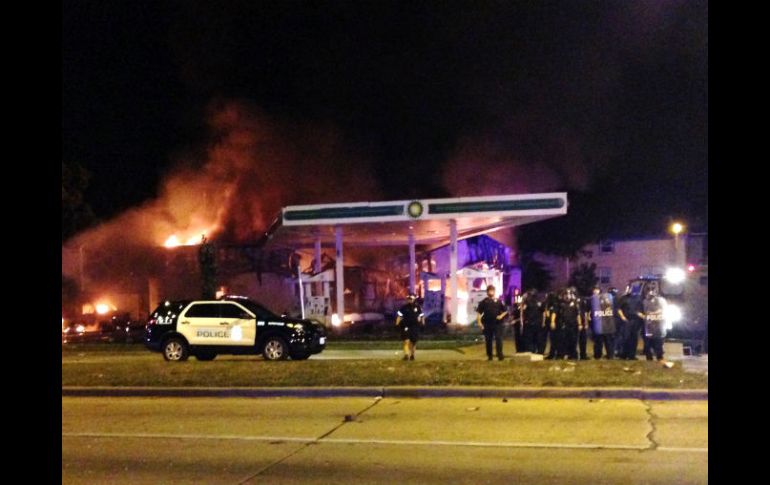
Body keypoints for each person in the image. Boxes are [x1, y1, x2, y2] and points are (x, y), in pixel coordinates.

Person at [476, 285, 508, 361]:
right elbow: (479, 313)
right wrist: (479, 322)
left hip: (497, 323)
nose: (491, 292)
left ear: (494, 291)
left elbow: (505, 311)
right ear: (487, 292)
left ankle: (500, 355)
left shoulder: (499, 301)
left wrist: (501, 316)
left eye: (492, 290)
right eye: (489, 291)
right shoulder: (484, 302)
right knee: (488, 340)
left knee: (498, 339)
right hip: (487, 323)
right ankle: (490, 356)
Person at [395, 293, 424, 360]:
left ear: (414, 299)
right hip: (406, 326)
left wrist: (423, 324)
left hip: (415, 327)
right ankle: (406, 355)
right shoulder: (404, 307)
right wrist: (397, 324)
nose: (409, 300)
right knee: (406, 341)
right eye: (408, 299)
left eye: (411, 299)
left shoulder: (418, 307)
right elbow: (399, 316)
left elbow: (421, 316)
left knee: (413, 342)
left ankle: (412, 355)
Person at [642, 286, 667, 361]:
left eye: (652, 290)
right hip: (648, 325)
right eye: (648, 290)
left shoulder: (661, 300)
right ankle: (649, 358)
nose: (650, 292)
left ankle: (660, 358)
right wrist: (645, 316)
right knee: (647, 343)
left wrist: (652, 313)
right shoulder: (645, 301)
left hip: (658, 325)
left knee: (658, 342)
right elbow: (643, 312)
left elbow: (662, 310)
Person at [590, 286, 616, 359]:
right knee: (598, 341)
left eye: (597, 290)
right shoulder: (592, 299)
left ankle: (610, 355)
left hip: (607, 324)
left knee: (608, 341)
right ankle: (597, 355)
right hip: (598, 324)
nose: (595, 291)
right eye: (594, 290)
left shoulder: (608, 298)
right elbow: (589, 311)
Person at [619, 286, 644, 360]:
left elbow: (641, 310)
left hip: (636, 321)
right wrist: (622, 317)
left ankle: (632, 355)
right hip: (627, 320)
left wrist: (642, 316)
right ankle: (623, 355)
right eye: (627, 289)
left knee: (634, 339)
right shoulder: (623, 298)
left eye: (629, 289)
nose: (628, 290)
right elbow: (619, 308)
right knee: (625, 338)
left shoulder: (639, 298)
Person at [560, 287, 582, 360]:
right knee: (565, 340)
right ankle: (566, 353)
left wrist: (579, 324)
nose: (568, 295)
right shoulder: (562, 304)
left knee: (573, 340)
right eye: (566, 294)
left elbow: (578, 315)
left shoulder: (575, 303)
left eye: (569, 294)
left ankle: (573, 354)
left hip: (573, 324)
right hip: (565, 324)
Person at [520, 289, 541, 353]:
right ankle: (532, 350)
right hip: (533, 322)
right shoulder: (536, 302)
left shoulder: (530, 302)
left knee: (531, 337)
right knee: (532, 337)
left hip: (531, 322)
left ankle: (531, 350)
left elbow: (523, 312)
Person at [540, 292, 558, 356]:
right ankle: (546, 351)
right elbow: (543, 313)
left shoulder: (549, 303)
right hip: (548, 322)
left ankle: (548, 352)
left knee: (549, 338)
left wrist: (551, 322)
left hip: (549, 322)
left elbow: (553, 313)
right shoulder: (547, 304)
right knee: (549, 338)